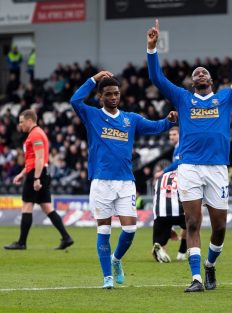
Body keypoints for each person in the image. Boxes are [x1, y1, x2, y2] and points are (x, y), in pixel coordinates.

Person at [147, 19, 232, 292]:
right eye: (195, 73)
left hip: (217, 169)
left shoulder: (225, 97)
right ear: (191, 81)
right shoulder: (182, 98)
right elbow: (156, 78)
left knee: (219, 228)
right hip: (189, 168)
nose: (199, 74)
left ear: (210, 80)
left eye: (204, 72)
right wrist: (152, 49)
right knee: (193, 222)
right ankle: (196, 277)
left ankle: (210, 265)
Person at [70, 71, 177, 289]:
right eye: (108, 94)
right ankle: (107, 277)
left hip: (126, 182)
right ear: (100, 97)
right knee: (104, 230)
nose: (113, 97)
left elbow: (155, 127)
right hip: (101, 182)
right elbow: (75, 100)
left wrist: (168, 121)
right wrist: (94, 79)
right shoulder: (92, 115)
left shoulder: (131, 119)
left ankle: (116, 260)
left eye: (116, 94)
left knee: (130, 229)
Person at [4, 110, 74, 251]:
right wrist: (21, 173)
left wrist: (36, 178)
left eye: (22, 121)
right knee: (47, 207)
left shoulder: (35, 134)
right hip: (40, 172)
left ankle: (21, 243)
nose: (20, 125)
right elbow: (33, 159)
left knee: (26, 206)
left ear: (30, 120)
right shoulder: (37, 133)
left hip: (37, 174)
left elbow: (40, 158)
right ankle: (66, 238)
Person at [152, 170, 187, 263]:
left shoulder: (161, 176)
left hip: (160, 212)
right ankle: (183, 253)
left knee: (159, 242)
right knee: (193, 227)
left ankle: (160, 249)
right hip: (179, 211)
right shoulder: (186, 173)